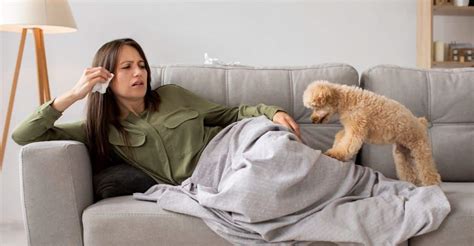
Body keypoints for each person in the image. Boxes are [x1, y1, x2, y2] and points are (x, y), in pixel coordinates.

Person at [11, 38, 301, 200]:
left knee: (276, 147)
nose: (138, 73)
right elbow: (23, 135)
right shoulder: (101, 130)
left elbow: (231, 115)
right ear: (106, 78)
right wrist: (74, 94)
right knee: (259, 186)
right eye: (127, 67)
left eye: (141, 65)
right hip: (210, 180)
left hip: (232, 148)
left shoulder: (173, 95)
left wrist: (270, 112)